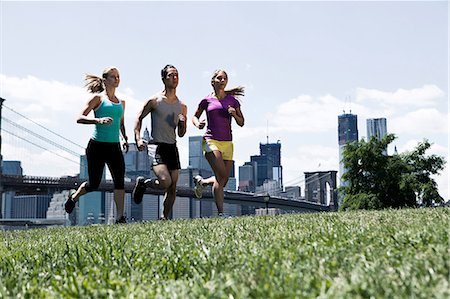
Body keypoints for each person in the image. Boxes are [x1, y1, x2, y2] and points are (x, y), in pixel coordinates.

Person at [64, 67, 129, 224]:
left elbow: (120, 122)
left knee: (119, 181)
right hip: (97, 146)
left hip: (114, 147)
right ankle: (74, 197)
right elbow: (79, 117)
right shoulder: (98, 100)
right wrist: (98, 120)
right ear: (105, 80)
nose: (116, 79)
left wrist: (125, 138)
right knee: (94, 184)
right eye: (113, 77)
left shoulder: (122, 103)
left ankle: (120, 218)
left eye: (118, 76)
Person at [132, 65, 187, 220]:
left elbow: (182, 134)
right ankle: (144, 183)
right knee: (165, 182)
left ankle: (164, 218)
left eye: (176, 75)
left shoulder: (182, 106)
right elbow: (138, 118)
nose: (174, 78)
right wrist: (138, 138)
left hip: (172, 147)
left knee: (173, 186)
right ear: (163, 79)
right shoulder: (154, 101)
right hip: (156, 146)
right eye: (170, 75)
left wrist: (183, 124)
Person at [192, 69, 245, 216]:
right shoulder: (206, 100)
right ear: (212, 81)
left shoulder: (233, 101)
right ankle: (221, 214)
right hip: (211, 140)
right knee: (221, 175)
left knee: (223, 180)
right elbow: (195, 116)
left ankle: (202, 183)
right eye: (219, 78)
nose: (222, 80)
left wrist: (234, 114)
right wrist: (198, 124)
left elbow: (241, 122)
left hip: (228, 143)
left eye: (225, 78)